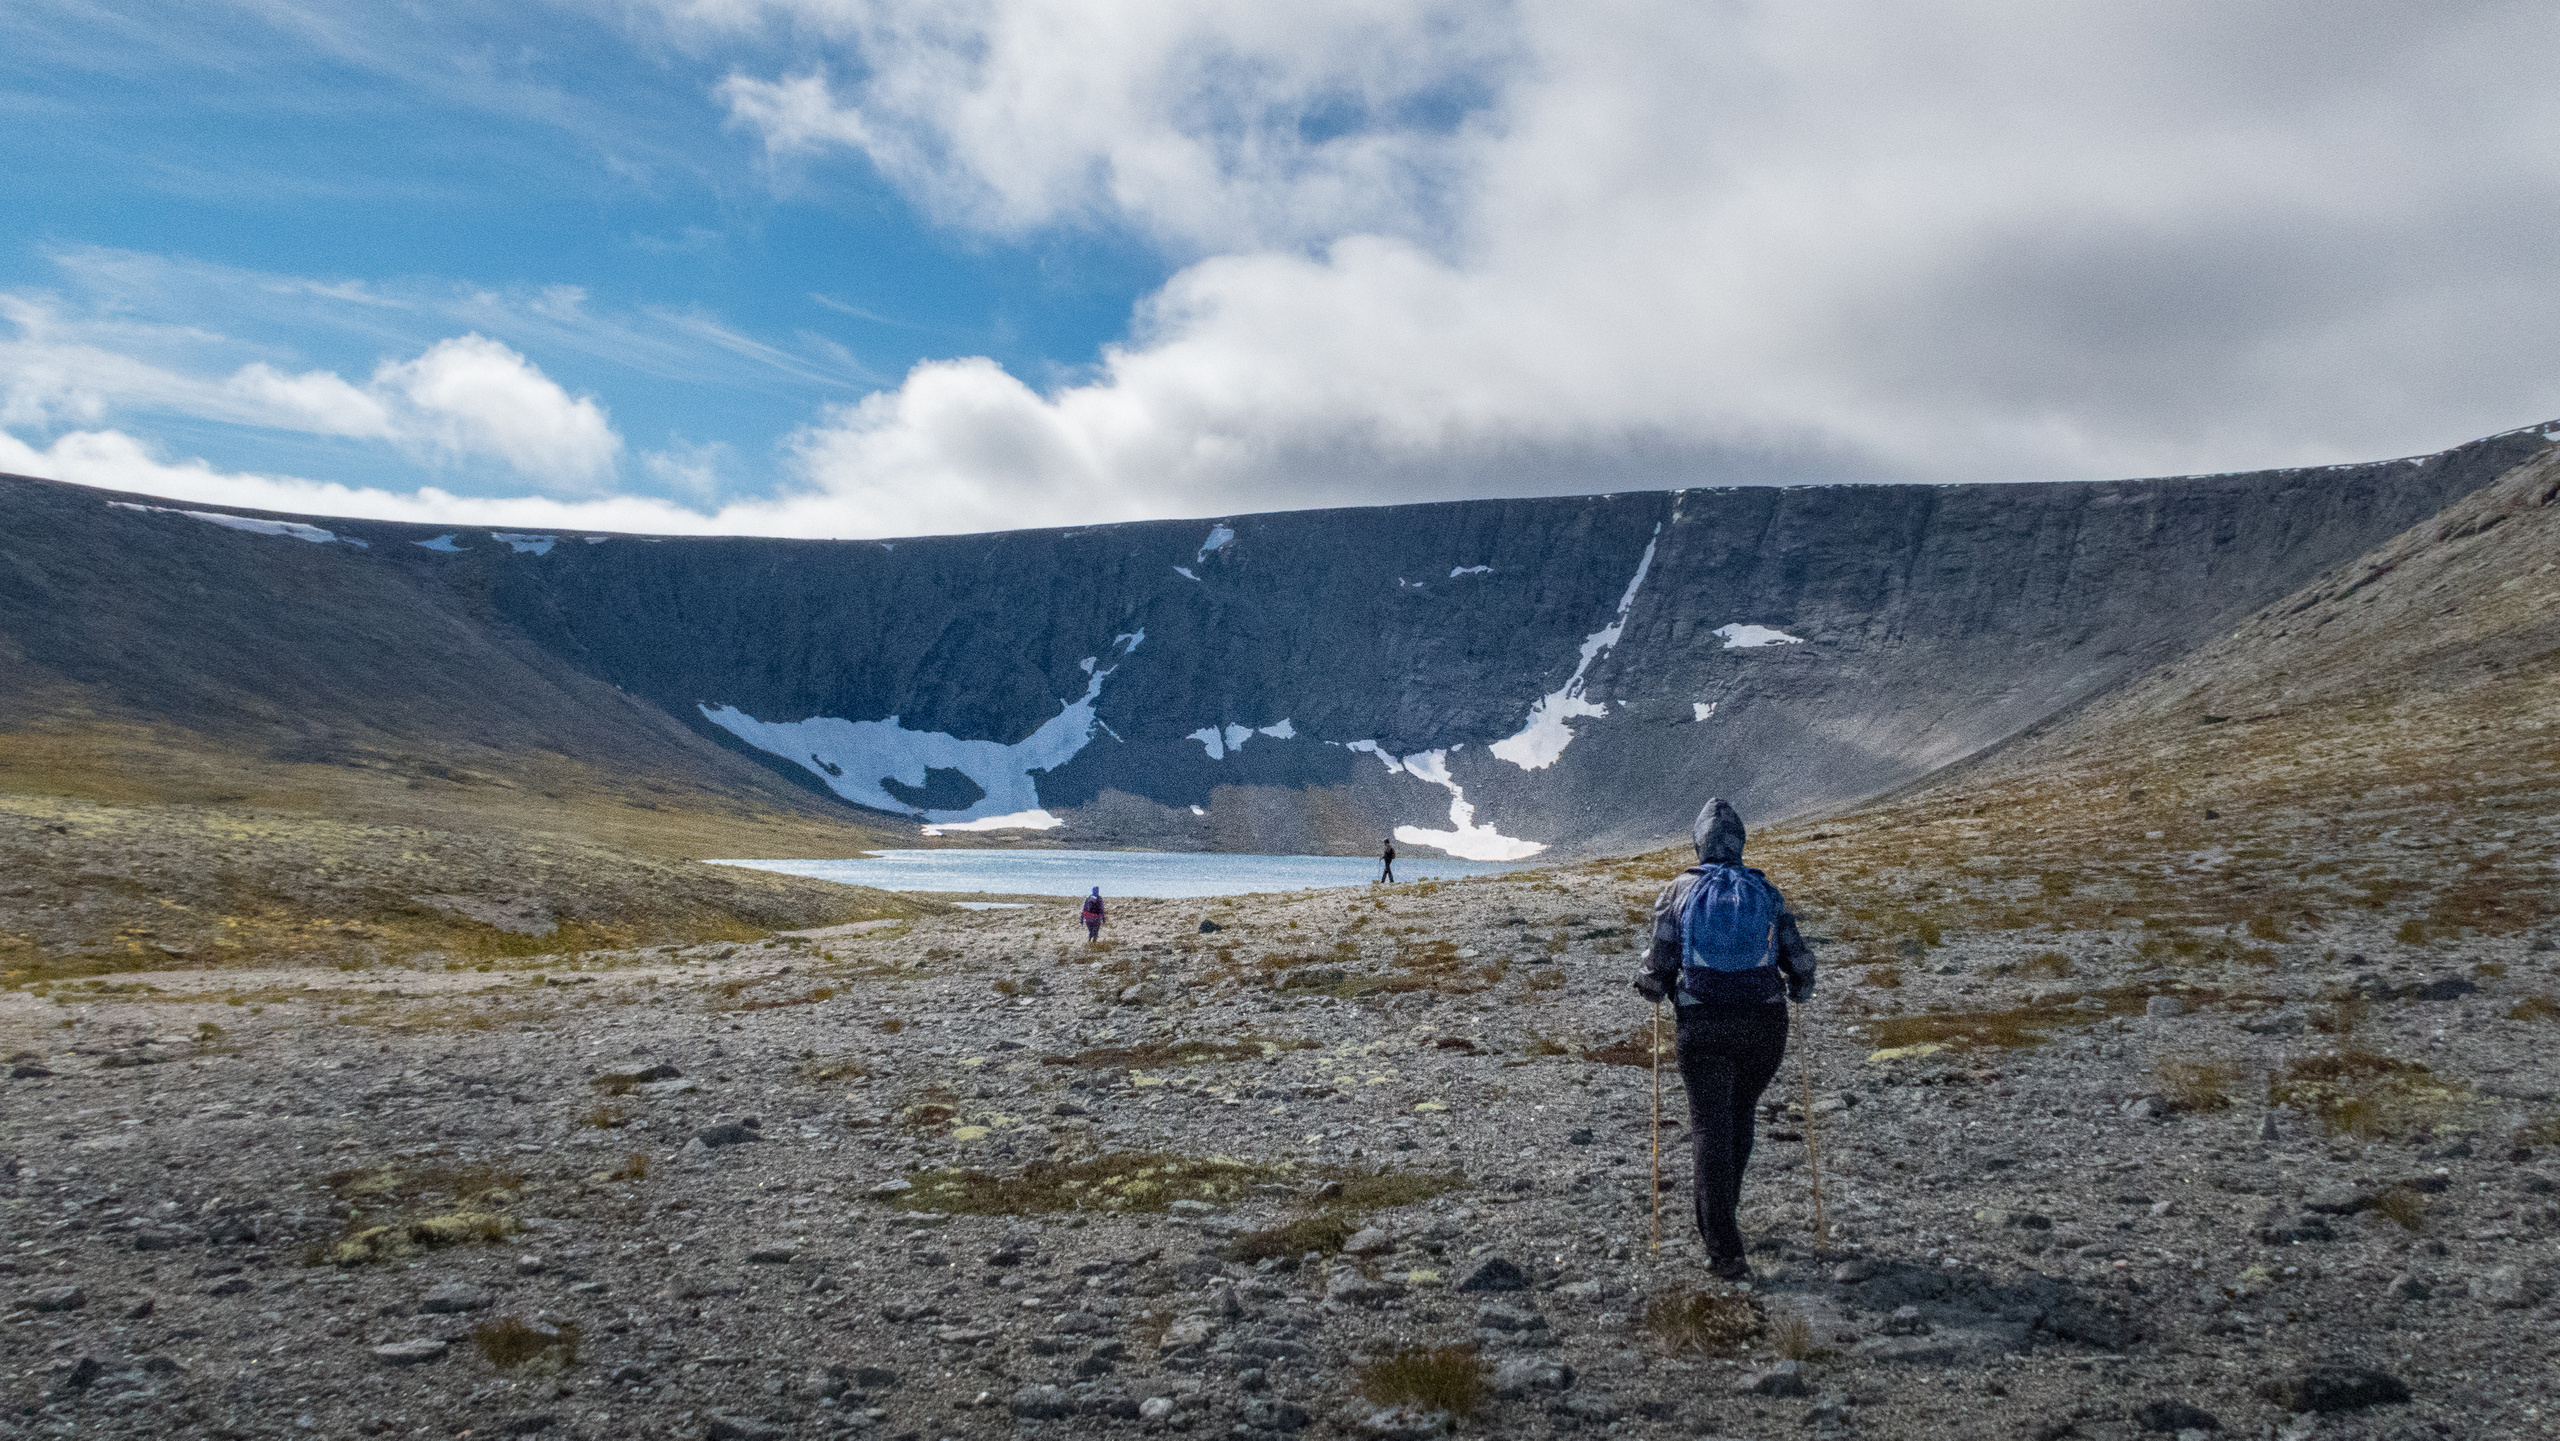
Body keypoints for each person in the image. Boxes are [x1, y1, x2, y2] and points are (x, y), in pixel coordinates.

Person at [1633, 798, 1815, 1281]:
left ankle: (1725, 1248)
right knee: (1741, 1113)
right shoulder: (1766, 891)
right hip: (1765, 1024)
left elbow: (1658, 963)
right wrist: (1800, 987)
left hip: (1704, 1023)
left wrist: (1652, 987)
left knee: (1710, 1126)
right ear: (1740, 843)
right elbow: (1800, 960)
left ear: (1699, 842)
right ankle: (1726, 1211)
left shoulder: (1678, 890)